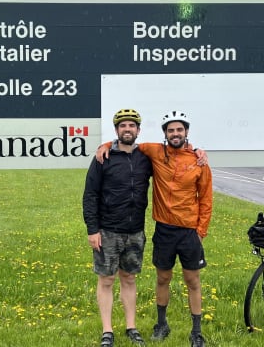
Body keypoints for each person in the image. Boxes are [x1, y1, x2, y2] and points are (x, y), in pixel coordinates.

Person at [97, 110, 213, 347]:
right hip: (164, 229)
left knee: (193, 280)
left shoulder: (198, 160)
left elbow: (206, 199)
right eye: (171, 130)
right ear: (165, 133)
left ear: (187, 132)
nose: (175, 134)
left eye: (179, 129)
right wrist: (105, 144)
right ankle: (161, 324)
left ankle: (196, 331)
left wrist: (200, 231)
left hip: (189, 231)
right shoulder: (154, 151)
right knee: (163, 278)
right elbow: (127, 141)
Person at [83, 109, 152, 347]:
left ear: (138, 130)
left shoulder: (145, 158)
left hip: (135, 231)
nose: (127, 129)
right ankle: (107, 330)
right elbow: (90, 195)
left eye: (132, 126)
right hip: (108, 231)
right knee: (106, 280)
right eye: (123, 126)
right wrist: (93, 230)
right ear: (116, 131)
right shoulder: (104, 157)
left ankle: (131, 327)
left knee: (129, 279)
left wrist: (198, 150)